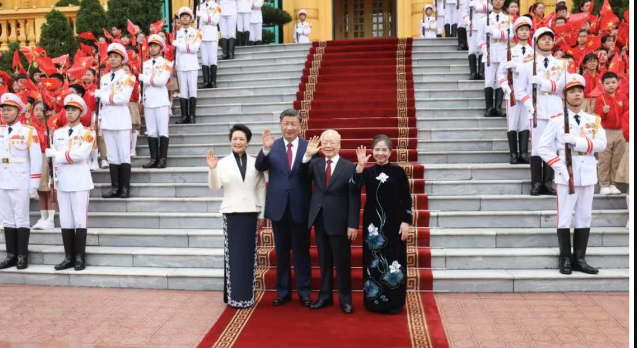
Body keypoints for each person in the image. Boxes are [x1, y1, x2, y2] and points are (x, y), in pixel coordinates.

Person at [537, 73, 606, 275]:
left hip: (587, 170)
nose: (577, 95)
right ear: (564, 96)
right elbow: (542, 148)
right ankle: (565, 258)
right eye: (572, 92)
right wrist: (559, 167)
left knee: (585, 216)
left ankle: (580, 259)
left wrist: (578, 142)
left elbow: (602, 144)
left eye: (579, 91)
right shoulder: (557, 121)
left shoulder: (593, 120)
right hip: (566, 172)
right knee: (565, 217)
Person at [255, 109, 313, 307]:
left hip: (301, 206)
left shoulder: (308, 146)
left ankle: (304, 292)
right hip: (279, 207)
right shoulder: (273, 145)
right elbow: (259, 167)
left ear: (300, 125)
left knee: (301, 252)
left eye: (293, 124)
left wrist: (308, 157)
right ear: (280, 125)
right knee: (281, 252)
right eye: (286, 123)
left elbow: (311, 174)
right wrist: (265, 150)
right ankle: (283, 291)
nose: (289, 127)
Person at [300, 130, 359, 314]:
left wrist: (352, 224)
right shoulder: (315, 164)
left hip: (340, 222)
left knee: (342, 263)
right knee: (324, 262)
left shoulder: (349, 167)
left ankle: (345, 300)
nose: (327, 145)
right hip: (319, 220)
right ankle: (324, 297)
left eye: (332, 142)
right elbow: (302, 176)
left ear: (339, 145)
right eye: (324, 142)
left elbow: (354, 197)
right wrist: (307, 155)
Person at [208, 124, 266, 308]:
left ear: (247, 142)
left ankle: (247, 297)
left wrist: (262, 213)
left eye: (241, 139)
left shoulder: (256, 162)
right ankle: (233, 297)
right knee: (233, 255)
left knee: (249, 256)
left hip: (250, 213)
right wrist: (212, 169)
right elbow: (214, 187)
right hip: (231, 213)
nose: (238, 142)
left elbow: (260, 188)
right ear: (230, 141)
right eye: (235, 139)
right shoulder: (222, 163)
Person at [351, 135, 411, 314]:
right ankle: (374, 301)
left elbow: (406, 198)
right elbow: (353, 188)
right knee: (374, 262)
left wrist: (406, 222)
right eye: (377, 149)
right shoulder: (368, 172)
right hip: (374, 227)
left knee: (394, 262)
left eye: (384, 149)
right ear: (372, 151)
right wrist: (360, 166)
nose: (380, 153)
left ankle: (394, 302)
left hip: (394, 225)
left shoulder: (398, 171)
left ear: (390, 152)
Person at [45, 94, 96, 271]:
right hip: (62, 180)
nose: (69, 113)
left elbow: (80, 155)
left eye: (73, 110)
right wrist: (53, 177)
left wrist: (57, 155)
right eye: (67, 110)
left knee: (80, 220)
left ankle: (80, 257)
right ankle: (68, 257)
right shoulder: (57, 133)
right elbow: (53, 162)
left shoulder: (88, 133)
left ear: (80, 112)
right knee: (66, 220)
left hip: (80, 180)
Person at [518, 27, 566, 196]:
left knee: (552, 146)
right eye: (543, 38)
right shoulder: (527, 64)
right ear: (536, 42)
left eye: (550, 38)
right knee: (538, 147)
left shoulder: (561, 64)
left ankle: (549, 182)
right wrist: (528, 104)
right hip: (536, 107)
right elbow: (520, 90)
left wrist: (543, 83)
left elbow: (562, 88)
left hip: (554, 106)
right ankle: (537, 182)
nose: (547, 41)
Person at [0, 93, 42, 270]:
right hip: (3, 181)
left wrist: (34, 184)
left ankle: (22, 255)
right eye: (3, 110)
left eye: (9, 110)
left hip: (21, 180)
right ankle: (10, 255)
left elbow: (36, 158)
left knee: (22, 219)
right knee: (8, 220)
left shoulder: (28, 131)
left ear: (18, 111)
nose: (5, 113)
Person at [94, 43, 135, 199]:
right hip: (108, 120)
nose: (112, 59)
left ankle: (125, 188)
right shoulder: (103, 78)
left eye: (115, 57)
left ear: (122, 59)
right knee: (112, 155)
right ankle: (115, 187)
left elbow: (123, 98)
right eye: (110, 56)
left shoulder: (128, 78)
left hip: (121, 119)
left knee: (124, 154)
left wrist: (103, 97)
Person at [497, 16, 533, 164]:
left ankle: (524, 153)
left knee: (525, 123)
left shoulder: (534, 52)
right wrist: (505, 84)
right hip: (512, 91)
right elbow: (501, 72)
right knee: (512, 123)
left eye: (526, 30)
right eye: (521, 30)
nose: (524, 32)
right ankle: (513, 154)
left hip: (527, 93)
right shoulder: (510, 51)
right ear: (516, 33)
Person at [139, 34, 173, 169]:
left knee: (163, 130)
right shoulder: (145, 64)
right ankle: (153, 158)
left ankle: (163, 159)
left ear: (161, 48)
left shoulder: (166, 63)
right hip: (149, 101)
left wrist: (145, 78)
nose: (152, 49)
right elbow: (144, 85)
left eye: (155, 46)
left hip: (161, 100)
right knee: (151, 131)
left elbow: (161, 81)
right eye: (151, 46)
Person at [477, 0, 512, 118]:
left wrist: (495, 32)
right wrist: (484, 50)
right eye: (495, 0)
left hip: (503, 51)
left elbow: (511, 35)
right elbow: (479, 40)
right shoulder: (483, 19)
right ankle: (489, 108)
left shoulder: (508, 19)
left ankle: (498, 108)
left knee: (501, 80)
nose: (498, 1)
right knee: (489, 81)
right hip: (490, 51)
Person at [595, 71, 628, 195]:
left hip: (620, 132)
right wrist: (602, 111)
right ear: (602, 84)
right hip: (605, 131)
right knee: (605, 159)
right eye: (607, 83)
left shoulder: (623, 98)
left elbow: (627, 114)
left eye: (613, 82)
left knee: (617, 159)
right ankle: (604, 184)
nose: (611, 85)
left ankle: (614, 183)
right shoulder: (600, 99)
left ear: (618, 83)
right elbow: (597, 116)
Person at [30, 101, 57, 230]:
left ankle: (50, 219)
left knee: (50, 187)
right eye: (36, 109)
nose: (38, 112)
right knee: (40, 188)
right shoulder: (30, 126)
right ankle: (43, 216)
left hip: (47, 156)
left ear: (47, 112)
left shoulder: (52, 125)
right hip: (35, 157)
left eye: (41, 110)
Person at [174, 6, 202, 124]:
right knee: (183, 91)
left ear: (191, 19)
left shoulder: (197, 33)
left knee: (192, 90)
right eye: (182, 17)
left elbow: (195, 48)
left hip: (192, 64)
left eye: (187, 16)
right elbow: (176, 51)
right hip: (181, 64)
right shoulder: (176, 33)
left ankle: (192, 116)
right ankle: (184, 115)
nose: (184, 18)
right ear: (180, 20)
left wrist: (180, 46)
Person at [197, 0, 221, 89]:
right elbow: (197, 23)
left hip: (212, 32)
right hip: (202, 34)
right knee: (204, 59)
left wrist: (203, 16)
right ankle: (206, 81)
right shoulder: (199, 6)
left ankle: (213, 81)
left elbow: (215, 20)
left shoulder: (217, 6)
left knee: (213, 58)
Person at [464, 0, 489, 80]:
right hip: (473, 25)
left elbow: (491, 8)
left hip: (484, 26)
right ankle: (473, 73)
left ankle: (482, 73)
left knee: (483, 49)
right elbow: (464, 12)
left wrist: (477, 6)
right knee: (472, 50)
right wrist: (468, 22)